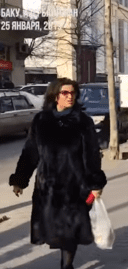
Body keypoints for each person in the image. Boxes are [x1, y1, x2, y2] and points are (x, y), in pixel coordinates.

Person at [9, 78, 107, 269]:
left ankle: (67, 265)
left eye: (73, 93)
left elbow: (92, 155)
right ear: (55, 96)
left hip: (75, 187)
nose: (70, 97)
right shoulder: (41, 121)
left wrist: (95, 184)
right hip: (49, 188)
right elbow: (30, 152)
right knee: (54, 229)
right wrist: (20, 180)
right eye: (65, 93)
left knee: (70, 232)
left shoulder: (82, 121)